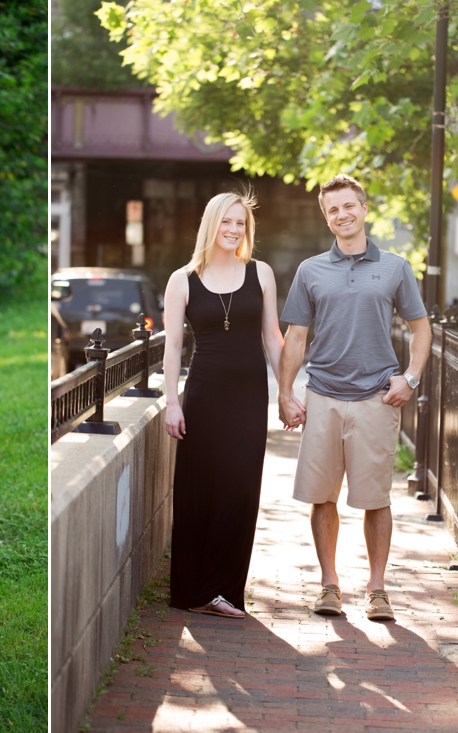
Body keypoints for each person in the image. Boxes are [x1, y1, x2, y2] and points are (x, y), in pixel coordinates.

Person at [277, 173, 431, 622]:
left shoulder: (396, 267)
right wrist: (286, 394)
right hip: (323, 394)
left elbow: (421, 329)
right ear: (326, 218)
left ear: (364, 208)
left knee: (375, 497)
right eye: (332, 210)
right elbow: (296, 336)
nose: (341, 215)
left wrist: (411, 378)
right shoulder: (311, 270)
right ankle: (329, 585)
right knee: (321, 496)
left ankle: (377, 589)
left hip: (376, 398)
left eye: (348, 206)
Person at [163, 191, 285, 618]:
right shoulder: (183, 279)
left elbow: (273, 338)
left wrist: (287, 392)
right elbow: (173, 347)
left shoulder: (261, 273)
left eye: (241, 224)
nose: (234, 230)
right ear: (211, 225)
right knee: (200, 490)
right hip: (204, 394)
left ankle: (225, 591)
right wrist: (171, 403)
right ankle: (193, 592)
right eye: (227, 222)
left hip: (250, 395)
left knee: (240, 489)